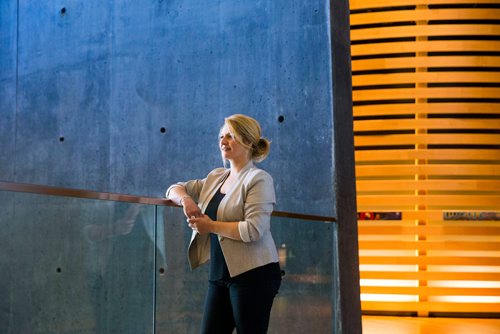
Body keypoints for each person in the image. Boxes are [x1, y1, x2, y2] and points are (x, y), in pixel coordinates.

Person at [165, 114, 281, 334]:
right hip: (220, 274)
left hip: (254, 274)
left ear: (247, 141)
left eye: (230, 136)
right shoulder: (216, 177)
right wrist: (187, 200)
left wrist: (211, 226)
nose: (223, 141)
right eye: (221, 136)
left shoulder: (259, 179)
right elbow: (174, 188)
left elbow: (254, 229)